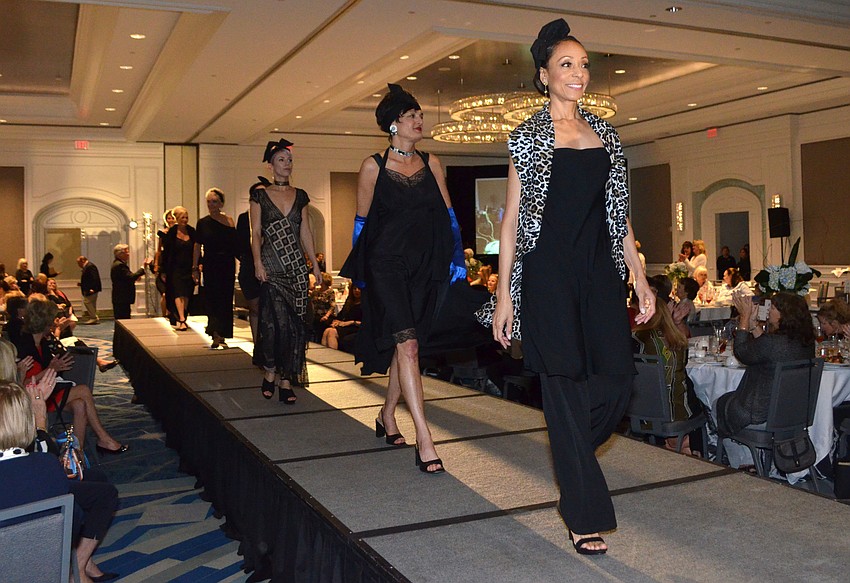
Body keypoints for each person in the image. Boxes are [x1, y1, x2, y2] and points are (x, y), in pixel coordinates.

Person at [476, 19, 655, 555]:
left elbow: (618, 214)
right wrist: (505, 294)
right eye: (567, 65)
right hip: (547, 274)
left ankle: (571, 452)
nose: (579, 74)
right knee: (563, 385)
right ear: (544, 75)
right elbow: (509, 221)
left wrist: (640, 277)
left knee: (618, 381)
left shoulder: (606, 134)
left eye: (583, 65)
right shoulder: (528, 136)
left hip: (600, 272)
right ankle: (582, 513)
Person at [340, 83, 466, 474]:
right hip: (385, 266)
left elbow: (448, 215)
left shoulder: (432, 163)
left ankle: (386, 415)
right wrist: (361, 276)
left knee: (406, 345)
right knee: (408, 347)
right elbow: (361, 224)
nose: (419, 121)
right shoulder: (372, 167)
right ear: (393, 124)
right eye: (411, 116)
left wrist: (456, 256)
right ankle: (425, 439)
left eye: (420, 115)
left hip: (423, 266)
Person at [0, 377, 119, 583]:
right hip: (46, 565)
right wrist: (41, 421)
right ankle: (80, 568)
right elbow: (74, 521)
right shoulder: (48, 466)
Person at [250, 138, 322, 404]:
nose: (287, 164)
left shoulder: (300, 195)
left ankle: (286, 380)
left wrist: (313, 263)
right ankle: (270, 371)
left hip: (296, 268)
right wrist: (257, 262)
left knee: (294, 327)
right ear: (271, 165)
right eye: (281, 159)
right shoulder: (259, 195)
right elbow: (255, 233)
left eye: (289, 160)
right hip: (271, 266)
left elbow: (305, 230)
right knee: (272, 324)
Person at [12, 294, 127, 453]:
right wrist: (52, 369)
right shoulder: (24, 344)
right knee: (84, 391)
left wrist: (54, 367)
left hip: (47, 390)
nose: (53, 323)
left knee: (80, 404)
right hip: (34, 397)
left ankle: (75, 453)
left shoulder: (42, 342)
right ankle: (103, 439)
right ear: (43, 322)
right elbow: (22, 382)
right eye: (51, 320)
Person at [717, 291, 816, 436]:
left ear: (784, 314)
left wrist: (744, 319)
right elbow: (770, 349)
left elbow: (741, 352)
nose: (769, 310)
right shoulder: (805, 342)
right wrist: (753, 326)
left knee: (718, 403)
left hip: (760, 413)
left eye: (773, 308)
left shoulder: (772, 343)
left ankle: (738, 455)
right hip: (792, 412)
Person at [632, 295, 701, 454]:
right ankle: (685, 443)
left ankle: (674, 443)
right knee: (697, 397)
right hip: (672, 414)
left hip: (638, 412)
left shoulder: (633, 338)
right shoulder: (677, 342)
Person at [194, 188, 237, 349]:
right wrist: (195, 267)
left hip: (227, 264)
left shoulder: (230, 221)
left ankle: (223, 332)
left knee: (225, 299)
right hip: (210, 263)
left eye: (214, 201)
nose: (211, 205)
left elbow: (235, 244)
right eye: (209, 202)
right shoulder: (202, 222)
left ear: (221, 203)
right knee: (212, 298)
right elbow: (197, 246)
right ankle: (215, 333)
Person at [160, 207, 196, 330]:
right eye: (182, 218)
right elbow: (166, 253)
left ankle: (183, 316)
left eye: (186, 217)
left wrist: (197, 266)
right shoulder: (171, 233)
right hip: (175, 268)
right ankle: (181, 318)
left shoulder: (192, 231)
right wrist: (163, 270)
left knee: (186, 294)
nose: (185, 220)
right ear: (177, 219)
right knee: (178, 292)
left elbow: (196, 250)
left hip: (189, 268)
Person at [236, 210, 261, 364]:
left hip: (270, 267)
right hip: (249, 268)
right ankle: (258, 346)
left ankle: (269, 348)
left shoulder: (271, 214)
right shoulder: (244, 218)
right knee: (255, 308)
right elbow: (238, 244)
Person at [110, 244, 148, 321]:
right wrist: (143, 267)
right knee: (123, 319)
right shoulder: (120, 265)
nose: (129, 254)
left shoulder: (119, 264)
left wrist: (135, 277)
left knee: (123, 318)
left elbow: (127, 277)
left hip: (121, 297)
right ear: (120, 254)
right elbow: (131, 277)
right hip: (122, 297)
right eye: (126, 252)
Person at [321, 285, 362, 352]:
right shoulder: (350, 302)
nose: (356, 290)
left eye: (359, 288)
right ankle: (325, 357)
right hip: (345, 326)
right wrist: (336, 322)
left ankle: (333, 357)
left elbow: (366, 322)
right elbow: (341, 315)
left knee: (332, 332)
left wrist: (351, 322)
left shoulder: (366, 305)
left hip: (356, 327)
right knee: (327, 331)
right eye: (354, 288)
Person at [154, 209, 177, 323]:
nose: (171, 220)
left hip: (177, 263)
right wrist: (156, 264)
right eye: (168, 218)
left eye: (172, 217)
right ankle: (165, 315)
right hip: (165, 263)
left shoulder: (181, 232)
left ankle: (175, 313)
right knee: (164, 293)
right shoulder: (162, 233)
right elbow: (158, 250)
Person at [309, 272, 336, 342]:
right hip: (316, 315)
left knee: (321, 324)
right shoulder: (316, 291)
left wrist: (326, 316)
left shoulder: (330, 292)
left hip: (325, 315)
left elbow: (332, 305)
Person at [77, 256, 102, 324]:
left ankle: (93, 317)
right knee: (92, 303)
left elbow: (94, 277)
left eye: (78, 263)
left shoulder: (90, 266)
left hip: (91, 289)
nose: (78, 265)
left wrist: (93, 288)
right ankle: (93, 317)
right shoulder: (89, 266)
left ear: (82, 261)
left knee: (87, 302)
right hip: (91, 288)